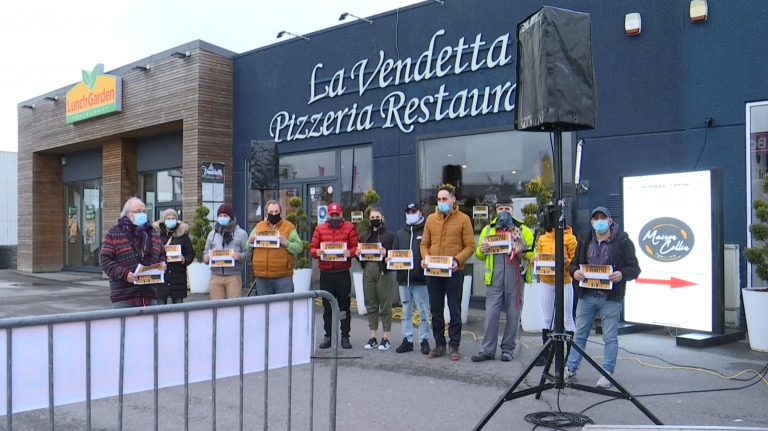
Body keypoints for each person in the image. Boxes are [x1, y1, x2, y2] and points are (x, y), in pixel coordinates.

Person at [567, 206, 641, 388]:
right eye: (596, 218)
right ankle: (570, 369)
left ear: (609, 220)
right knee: (580, 335)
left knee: (610, 337)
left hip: (610, 298)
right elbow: (574, 264)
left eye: (603, 217)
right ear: (592, 222)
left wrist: (622, 274)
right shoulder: (584, 239)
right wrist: (575, 272)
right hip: (587, 296)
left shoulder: (623, 242)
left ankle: (607, 372)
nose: (599, 221)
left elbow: (634, 268)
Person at [471, 202, 534, 363]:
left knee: (513, 315)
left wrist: (522, 251)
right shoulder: (489, 229)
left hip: (516, 277)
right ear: (496, 211)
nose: (504, 212)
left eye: (507, 209)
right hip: (495, 279)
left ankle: (508, 349)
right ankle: (487, 350)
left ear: (512, 210)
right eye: (500, 209)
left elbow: (534, 252)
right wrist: (481, 249)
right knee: (491, 315)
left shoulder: (524, 229)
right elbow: (479, 254)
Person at [420, 185, 476, 361]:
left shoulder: (463, 219)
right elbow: (424, 244)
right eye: (439, 200)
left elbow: (470, 246)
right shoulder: (430, 219)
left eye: (444, 199)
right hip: (434, 272)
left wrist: (458, 260)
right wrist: (425, 258)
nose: (441, 202)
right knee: (436, 310)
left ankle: (454, 345)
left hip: (453, 271)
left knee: (454, 310)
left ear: (453, 199)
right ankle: (439, 344)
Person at [100, 197, 166, 309]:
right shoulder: (114, 232)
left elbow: (162, 254)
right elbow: (105, 260)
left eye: (144, 211)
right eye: (138, 211)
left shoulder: (152, 232)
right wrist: (124, 274)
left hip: (149, 295)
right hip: (124, 296)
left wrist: (163, 264)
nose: (143, 214)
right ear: (127, 214)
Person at [310, 202, 358, 350]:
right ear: (328, 215)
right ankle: (328, 336)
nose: (335, 217)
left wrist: (350, 252)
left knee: (344, 306)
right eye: (332, 215)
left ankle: (345, 336)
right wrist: (316, 252)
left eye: (337, 215)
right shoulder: (320, 229)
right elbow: (312, 248)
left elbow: (355, 246)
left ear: (341, 214)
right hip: (326, 273)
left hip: (342, 273)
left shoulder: (349, 227)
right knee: (327, 307)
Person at [531, 221, 578, 366]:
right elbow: (539, 258)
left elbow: (576, 261)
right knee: (547, 318)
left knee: (567, 318)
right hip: (546, 281)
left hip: (564, 281)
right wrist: (534, 261)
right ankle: (546, 353)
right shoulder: (542, 238)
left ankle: (571, 356)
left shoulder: (570, 238)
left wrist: (567, 261)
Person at [388, 203, 431, 355]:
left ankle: (424, 340)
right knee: (405, 312)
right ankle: (408, 340)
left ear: (420, 213)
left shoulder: (427, 231)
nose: (411, 214)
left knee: (423, 312)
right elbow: (395, 252)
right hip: (403, 280)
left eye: (414, 211)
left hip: (421, 280)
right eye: (408, 212)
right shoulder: (400, 234)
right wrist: (390, 260)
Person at [356, 207, 395, 350]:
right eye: (372, 217)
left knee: (385, 305)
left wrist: (387, 253)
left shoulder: (390, 236)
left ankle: (386, 338)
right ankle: (373, 337)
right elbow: (361, 259)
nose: (374, 220)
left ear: (382, 218)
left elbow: (396, 256)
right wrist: (358, 253)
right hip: (368, 270)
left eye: (377, 217)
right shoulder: (364, 236)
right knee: (371, 304)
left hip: (383, 272)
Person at [247, 200, 304, 295]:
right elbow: (247, 247)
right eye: (271, 212)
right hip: (262, 276)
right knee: (264, 307)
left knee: (284, 306)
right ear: (266, 212)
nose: (274, 214)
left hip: (282, 276)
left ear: (280, 211)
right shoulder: (259, 226)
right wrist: (250, 242)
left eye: (276, 212)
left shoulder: (289, 227)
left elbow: (299, 247)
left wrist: (286, 243)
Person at [203, 204, 250, 300]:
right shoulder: (212, 234)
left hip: (233, 276)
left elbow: (248, 254)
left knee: (234, 306)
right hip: (216, 276)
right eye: (220, 216)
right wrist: (206, 258)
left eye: (225, 216)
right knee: (215, 307)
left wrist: (240, 256)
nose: (222, 218)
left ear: (231, 218)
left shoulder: (241, 234)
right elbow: (206, 251)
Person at [153, 209, 195, 304]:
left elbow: (191, 253)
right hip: (161, 279)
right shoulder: (157, 235)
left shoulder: (183, 236)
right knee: (160, 310)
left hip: (178, 279)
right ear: (164, 220)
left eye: (173, 218)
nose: (171, 220)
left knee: (178, 310)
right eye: (168, 218)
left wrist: (184, 260)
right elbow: (151, 253)